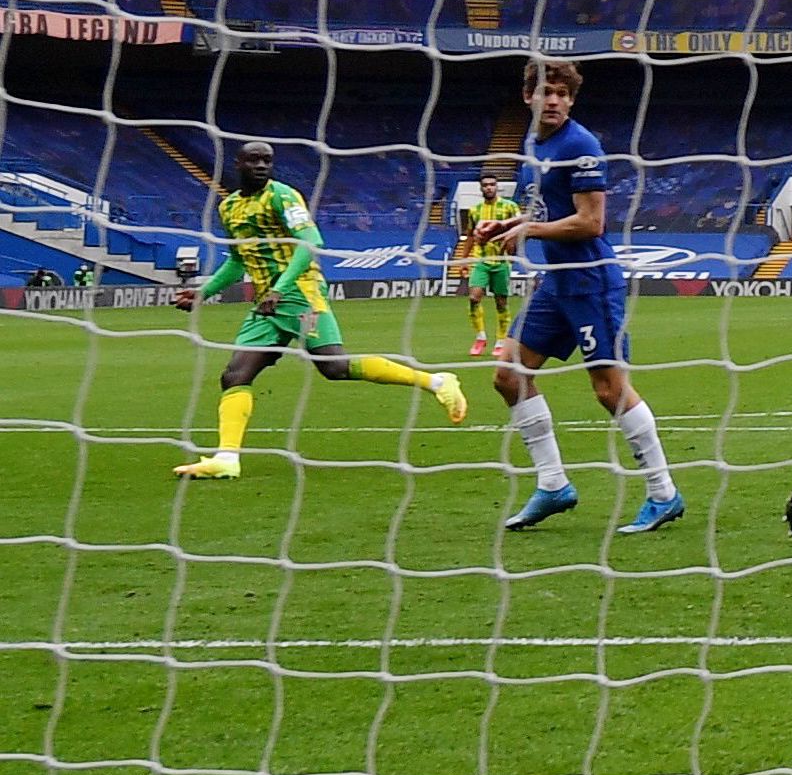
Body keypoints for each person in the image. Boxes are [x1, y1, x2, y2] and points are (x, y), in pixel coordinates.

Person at [172, 141, 467, 480]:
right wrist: (202, 292)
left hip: (300, 294)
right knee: (235, 375)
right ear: (237, 163)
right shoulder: (229, 208)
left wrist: (280, 288)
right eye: (254, 160)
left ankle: (436, 381)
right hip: (267, 304)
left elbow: (310, 243)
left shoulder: (283, 196)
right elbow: (239, 261)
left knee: (334, 366)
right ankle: (227, 459)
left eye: (268, 160)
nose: (262, 166)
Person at [480, 59, 685, 533]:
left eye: (561, 94)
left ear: (571, 100)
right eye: (544, 92)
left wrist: (530, 229)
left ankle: (664, 493)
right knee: (509, 374)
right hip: (556, 283)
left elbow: (591, 222)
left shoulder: (581, 145)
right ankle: (553, 485)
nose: (552, 100)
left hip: (591, 282)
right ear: (526, 97)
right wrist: (510, 225)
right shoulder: (534, 144)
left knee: (609, 391)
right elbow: (548, 209)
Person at [464, 174, 521, 358]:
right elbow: (470, 235)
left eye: (492, 184)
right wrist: (464, 259)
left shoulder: (510, 207)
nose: (489, 188)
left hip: (501, 261)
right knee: (474, 298)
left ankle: (501, 340)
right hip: (481, 260)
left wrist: (513, 243)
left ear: (497, 187)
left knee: (501, 302)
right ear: (481, 188)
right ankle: (480, 337)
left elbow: (520, 226)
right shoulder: (474, 210)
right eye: (486, 185)